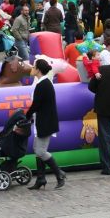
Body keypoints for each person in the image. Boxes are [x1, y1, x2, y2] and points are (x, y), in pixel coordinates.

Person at [25, 57, 66, 190]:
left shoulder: (43, 85)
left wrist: (27, 115)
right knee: (38, 150)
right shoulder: (44, 83)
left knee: (40, 151)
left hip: (45, 122)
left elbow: (36, 104)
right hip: (42, 121)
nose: (31, 69)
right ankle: (41, 178)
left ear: (38, 70)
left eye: (33, 67)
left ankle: (59, 173)